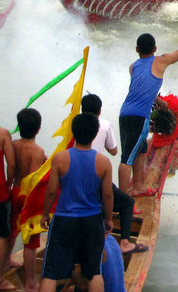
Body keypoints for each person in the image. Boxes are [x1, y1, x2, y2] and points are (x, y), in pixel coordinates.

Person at [118, 33, 178, 196]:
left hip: (126, 112)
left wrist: (159, 101)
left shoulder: (133, 66)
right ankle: (122, 200)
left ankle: (138, 186)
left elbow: (142, 88)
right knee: (127, 158)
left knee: (141, 149)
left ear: (137, 49)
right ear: (155, 49)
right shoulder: (160, 61)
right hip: (138, 116)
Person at [39, 113, 113, 292]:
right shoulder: (103, 162)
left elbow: (51, 191)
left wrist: (44, 214)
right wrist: (109, 219)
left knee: (50, 272)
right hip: (92, 220)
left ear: (73, 132)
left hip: (65, 219)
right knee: (94, 271)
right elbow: (107, 195)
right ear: (95, 135)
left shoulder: (60, 158)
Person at [81, 94, 145, 255]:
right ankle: (124, 242)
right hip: (96, 181)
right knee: (127, 203)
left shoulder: (74, 124)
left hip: (77, 180)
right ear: (100, 111)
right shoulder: (103, 124)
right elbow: (114, 151)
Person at [11, 109, 46, 292]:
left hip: (14, 190)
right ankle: (31, 281)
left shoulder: (14, 144)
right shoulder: (37, 151)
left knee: (11, 231)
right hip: (27, 197)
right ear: (38, 129)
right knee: (31, 242)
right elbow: (32, 179)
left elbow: (13, 166)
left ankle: (7, 260)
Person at [0, 127, 14, 292]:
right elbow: (11, 163)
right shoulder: (3, 134)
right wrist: (9, 183)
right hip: (0, 192)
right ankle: (0, 279)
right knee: (2, 236)